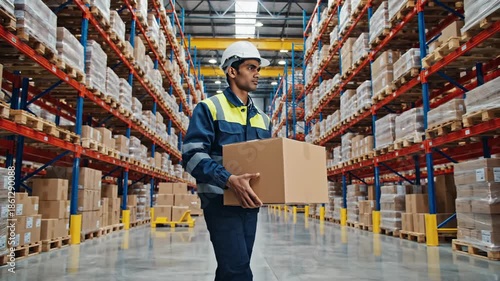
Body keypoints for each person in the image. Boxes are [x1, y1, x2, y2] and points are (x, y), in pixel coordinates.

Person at [182, 41, 272, 281]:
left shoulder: (264, 118)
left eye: (258, 68)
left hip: (250, 203)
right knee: (238, 270)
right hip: (219, 201)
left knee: (231, 268)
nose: (257, 74)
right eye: (251, 67)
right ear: (232, 71)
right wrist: (229, 180)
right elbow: (191, 155)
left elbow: (267, 161)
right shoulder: (209, 108)